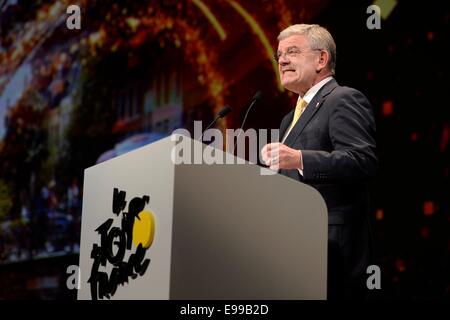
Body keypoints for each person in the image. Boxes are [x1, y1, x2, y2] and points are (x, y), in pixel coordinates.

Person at [261, 24, 378, 299]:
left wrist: (300, 158)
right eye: (279, 55)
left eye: (292, 51)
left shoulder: (343, 99)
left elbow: (362, 160)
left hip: (332, 248)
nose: (282, 60)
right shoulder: (288, 120)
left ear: (321, 59)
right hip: (293, 246)